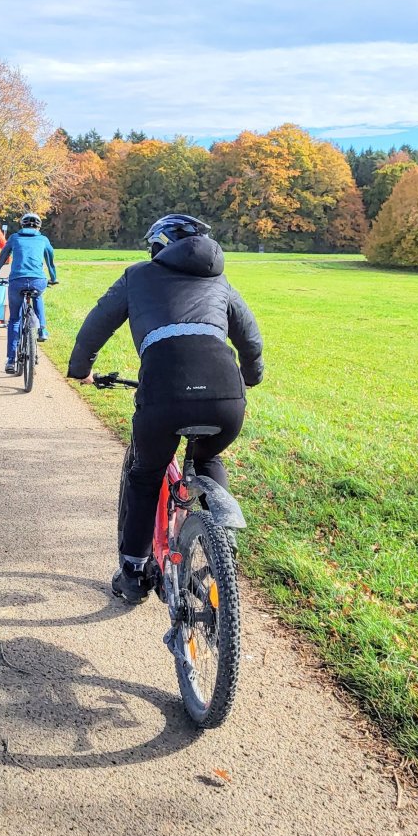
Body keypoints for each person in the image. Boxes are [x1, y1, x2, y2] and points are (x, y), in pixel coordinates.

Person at [66, 214, 263, 604]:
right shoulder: (219, 280)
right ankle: (220, 556)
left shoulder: (138, 275)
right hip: (226, 396)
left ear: (158, 246)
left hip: (164, 391)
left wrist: (80, 370)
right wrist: (251, 377)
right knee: (208, 460)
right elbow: (251, 338)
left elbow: (96, 325)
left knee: (146, 475)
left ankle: (134, 573)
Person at [0, 212, 57, 374]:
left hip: (17, 281)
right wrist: (53, 278)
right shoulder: (43, 240)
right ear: (38, 226)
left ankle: (11, 360)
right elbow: (50, 261)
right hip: (37, 280)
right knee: (37, 295)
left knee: (14, 319)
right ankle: (43, 330)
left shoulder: (14, 238)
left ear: (22, 225)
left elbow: (2, 257)